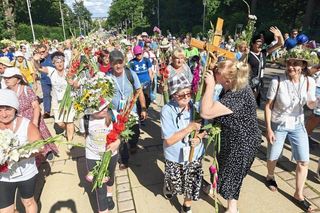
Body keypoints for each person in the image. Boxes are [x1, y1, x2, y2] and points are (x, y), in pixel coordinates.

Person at [200, 60, 261, 213]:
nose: (214, 74)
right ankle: (214, 188)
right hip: (231, 137)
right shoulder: (231, 86)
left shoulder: (238, 94)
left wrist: (211, 86)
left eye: (217, 73)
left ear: (226, 79)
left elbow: (206, 112)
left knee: (232, 175)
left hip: (242, 143)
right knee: (222, 166)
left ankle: (232, 208)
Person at [264, 58, 316, 212]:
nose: (292, 67)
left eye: (296, 64)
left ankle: (298, 194)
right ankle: (270, 176)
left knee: (304, 161)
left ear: (303, 66)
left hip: (298, 125)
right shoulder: (277, 81)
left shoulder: (308, 82)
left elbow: (310, 104)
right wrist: (269, 129)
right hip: (279, 124)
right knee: (273, 156)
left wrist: (314, 101)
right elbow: (268, 106)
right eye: (289, 63)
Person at [160, 73, 205, 213]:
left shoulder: (195, 106)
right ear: (173, 95)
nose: (186, 97)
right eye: (181, 95)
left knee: (191, 183)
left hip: (194, 154)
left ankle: (187, 206)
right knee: (175, 184)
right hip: (175, 156)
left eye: (188, 93)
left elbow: (206, 127)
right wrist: (189, 128)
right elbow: (168, 140)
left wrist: (200, 137)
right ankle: (169, 186)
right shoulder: (167, 110)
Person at [0, 89, 42, 213]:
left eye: (8, 109)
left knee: (28, 202)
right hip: (3, 177)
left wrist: (17, 155)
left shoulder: (26, 125)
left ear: (15, 109)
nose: (3, 114)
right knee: (5, 210)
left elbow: (40, 148)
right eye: (0, 109)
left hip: (26, 173)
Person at [3, 67, 58, 160]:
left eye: (10, 77)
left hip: (32, 117)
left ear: (18, 79)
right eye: (5, 78)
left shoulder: (26, 89)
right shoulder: (5, 92)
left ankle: (47, 150)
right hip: (18, 120)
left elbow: (36, 106)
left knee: (40, 136)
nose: (6, 80)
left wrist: (35, 122)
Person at [108, 50, 147, 170]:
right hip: (116, 113)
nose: (118, 66)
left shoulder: (131, 74)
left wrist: (143, 108)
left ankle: (134, 144)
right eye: (115, 63)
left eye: (120, 62)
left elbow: (139, 91)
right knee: (121, 138)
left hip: (132, 111)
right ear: (110, 64)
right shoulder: (107, 78)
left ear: (124, 61)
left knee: (134, 133)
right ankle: (124, 159)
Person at [80, 105, 120, 213]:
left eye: (106, 106)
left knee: (110, 176)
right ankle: (103, 209)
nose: (105, 109)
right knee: (99, 186)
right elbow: (85, 136)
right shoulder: (85, 120)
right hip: (93, 156)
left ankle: (109, 194)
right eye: (101, 107)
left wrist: (117, 142)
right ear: (90, 108)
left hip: (111, 154)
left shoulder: (113, 115)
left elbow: (120, 132)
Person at [39, 51, 77, 147]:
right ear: (53, 63)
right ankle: (68, 130)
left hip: (70, 100)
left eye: (61, 62)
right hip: (57, 101)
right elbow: (39, 68)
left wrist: (73, 83)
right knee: (59, 122)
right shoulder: (51, 71)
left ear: (64, 62)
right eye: (57, 62)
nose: (59, 64)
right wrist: (35, 60)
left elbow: (77, 85)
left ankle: (70, 140)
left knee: (69, 121)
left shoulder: (69, 72)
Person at [247, 26, 284, 106]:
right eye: (258, 42)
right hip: (249, 84)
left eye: (261, 42)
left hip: (260, 84)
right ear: (252, 43)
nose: (260, 44)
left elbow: (280, 44)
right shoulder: (248, 55)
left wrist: (279, 35)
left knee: (254, 106)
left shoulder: (264, 53)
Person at [129, 45, 153, 116]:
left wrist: (151, 79)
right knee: (140, 100)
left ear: (142, 53)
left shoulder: (146, 60)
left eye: (140, 53)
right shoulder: (132, 63)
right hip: (138, 85)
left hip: (147, 83)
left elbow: (150, 70)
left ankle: (145, 109)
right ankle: (141, 114)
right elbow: (131, 74)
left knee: (148, 99)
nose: (138, 55)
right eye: (137, 54)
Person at [36, 44, 54, 119]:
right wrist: (37, 60)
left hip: (54, 79)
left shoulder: (53, 57)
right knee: (46, 95)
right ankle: (47, 111)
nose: (42, 53)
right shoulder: (38, 59)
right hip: (44, 80)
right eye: (40, 52)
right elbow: (36, 68)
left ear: (47, 50)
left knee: (57, 96)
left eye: (43, 51)